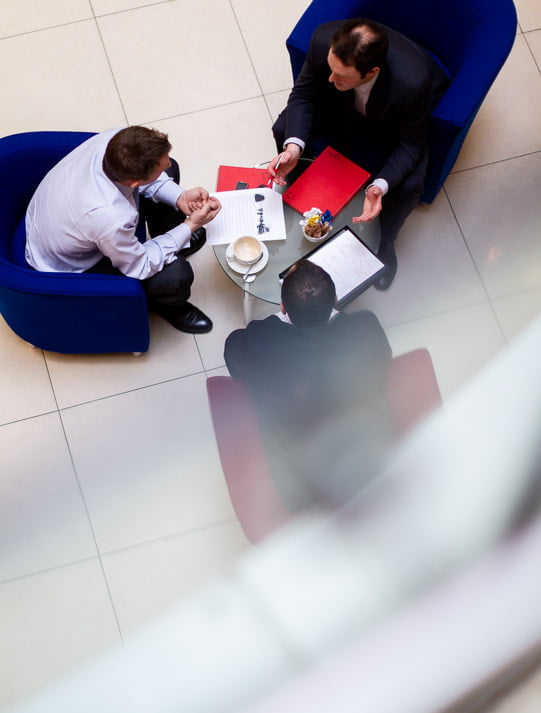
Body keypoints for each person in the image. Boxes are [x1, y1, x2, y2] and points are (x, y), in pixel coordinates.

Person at [269, 18, 449, 291]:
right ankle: (303, 194)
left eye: (341, 76)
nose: (331, 78)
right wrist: (293, 147)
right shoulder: (322, 42)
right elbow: (304, 95)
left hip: (389, 128)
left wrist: (379, 186)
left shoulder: (412, 82)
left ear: (371, 72)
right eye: (331, 70)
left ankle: (385, 245)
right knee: (284, 128)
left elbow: (411, 144)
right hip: (338, 109)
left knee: (410, 183)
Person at [224, 259, 393, 511]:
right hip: (369, 459)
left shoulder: (262, 338)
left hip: (301, 479)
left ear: (283, 307)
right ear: (335, 300)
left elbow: (234, 350)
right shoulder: (364, 327)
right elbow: (382, 362)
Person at [25, 125, 221, 334]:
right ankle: (167, 305)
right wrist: (191, 225)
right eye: (162, 164)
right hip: (69, 264)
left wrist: (180, 198)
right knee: (176, 274)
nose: (168, 162)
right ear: (135, 182)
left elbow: (148, 178)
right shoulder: (111, 217)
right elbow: (140, 265)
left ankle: (175, 243)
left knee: (171, 172)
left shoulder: (116, 141)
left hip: (63, 216)